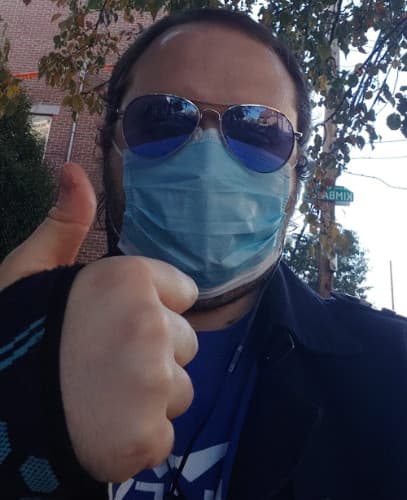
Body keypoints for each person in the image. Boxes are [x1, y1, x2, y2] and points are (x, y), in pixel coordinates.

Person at [1, 7, 406, 500]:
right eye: (162, 118)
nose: (209, 160)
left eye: (261, 130)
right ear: (108, 146)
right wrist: (19, 396)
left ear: (296, 175)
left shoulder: (391, 374)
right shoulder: (25, 338)